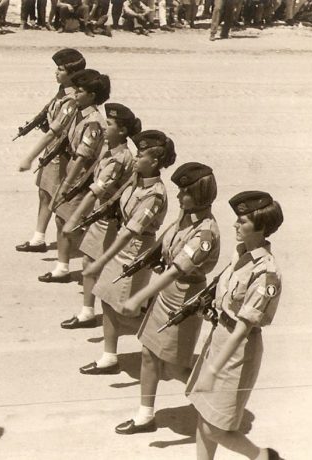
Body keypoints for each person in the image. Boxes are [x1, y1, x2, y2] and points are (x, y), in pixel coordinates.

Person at [114, 162, 220, 435]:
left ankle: (214, 406)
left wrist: (139, 296)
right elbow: (165, 243)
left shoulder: (205, 233)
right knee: (148, 354)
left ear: (199, 195)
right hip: (167, 295)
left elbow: (176, 271)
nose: (178, 196)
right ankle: (144, 415)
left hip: (184, 297)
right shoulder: (185, 217)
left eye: (184, 192)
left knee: (174, 366)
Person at [186, 191, 284, 460]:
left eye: (242, 221)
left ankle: (264, 456)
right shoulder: (240, 254)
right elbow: (229, 300)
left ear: (261, 227)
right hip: (218, 338)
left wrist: (213, 370)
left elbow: (244, 327)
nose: (235, 225)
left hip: (238, 352)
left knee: (216, 428)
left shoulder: (266, 272)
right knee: (204, 413)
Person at [75, 131, 177, 377]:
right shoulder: (137, 179)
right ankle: (110, 357)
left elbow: (130, 234)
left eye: (141, 155)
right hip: (125, 247)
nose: (136, 158)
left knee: (124, 309)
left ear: (154, 162)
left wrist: (102, 259)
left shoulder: (154, 195)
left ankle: (163, 338)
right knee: (109, 302)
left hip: (134, 250)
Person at [60, 104, 142, 330]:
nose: (105, 127)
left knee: (94, 263)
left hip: (108, 220)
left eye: (110, 124)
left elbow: (96, 190)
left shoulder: (119, 158)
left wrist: (73, 220)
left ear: (123, 131)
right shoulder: (110, 151)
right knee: (93, 262)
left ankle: (91, 313)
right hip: (101, 216)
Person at [41, 69, 110, 284]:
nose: (76, 94)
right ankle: (63, 267)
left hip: (82, 175)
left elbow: (82, 157)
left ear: (91, 96)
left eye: (80, 91)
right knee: (63, 219)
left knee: (74, 222)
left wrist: (67, 184)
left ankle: (93, 267)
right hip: (72, 169)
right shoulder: (79, 114)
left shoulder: (93, 122)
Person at [16, 48, 86, 255]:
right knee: (44, 192)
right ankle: (39, 237)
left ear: (72, 74)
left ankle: (66, 242)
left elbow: (54, 131)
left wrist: (29, 157)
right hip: (53, 150)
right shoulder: (63, 92)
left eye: (61, 70)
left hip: (61, 153)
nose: (56, 73)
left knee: (57, 196)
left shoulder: (72, 98)